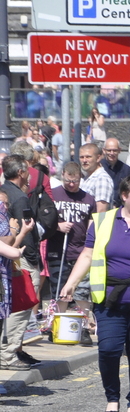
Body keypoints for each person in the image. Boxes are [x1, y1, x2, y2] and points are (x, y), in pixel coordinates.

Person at [59, 177, 130, 412]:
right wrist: (70, 284)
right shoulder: (103, 220)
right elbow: (87, 253)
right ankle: (112, 399)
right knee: (108, 349)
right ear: (124, 196)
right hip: (109, 299)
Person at [0, 155, 43, 370]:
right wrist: (33, 260)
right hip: (20, 258)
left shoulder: (7, 192)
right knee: (22, 305)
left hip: (12, 256)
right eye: (27, 171)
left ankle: (14, 349)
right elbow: (21, 231)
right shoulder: (18, 198)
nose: (29, 175)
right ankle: (8, 354)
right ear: (20, 172)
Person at [46, 163, 98, 336]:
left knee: (82, 292)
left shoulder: (88, 199)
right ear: (62, 175)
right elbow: (44, 222)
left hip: (80, 252)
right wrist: (57, 226)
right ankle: (58, 328)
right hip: (58, 251)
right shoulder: (53, 195)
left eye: (75, 181)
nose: (71, 184)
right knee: (60, 291)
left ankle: (84, 328)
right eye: (68, 180)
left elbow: (91, 226)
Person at [78, 143, 114, 213]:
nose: (84, 160)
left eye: (88, 157)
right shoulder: (86, 178)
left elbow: (101, 211)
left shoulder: (102, 179)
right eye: (82, 157)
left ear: (98, 158)